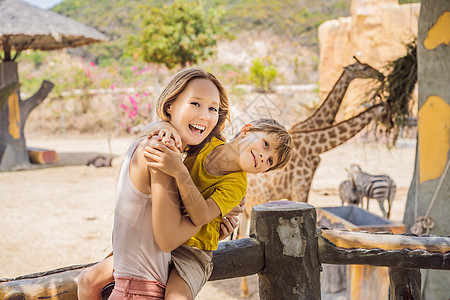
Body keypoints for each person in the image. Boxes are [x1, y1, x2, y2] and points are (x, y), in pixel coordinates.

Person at [78, 68, 293, 299]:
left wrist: (180, 172)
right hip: (169, 230)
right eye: (265, 145)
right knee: (88, 279)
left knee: (177, 297)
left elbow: (201, 217)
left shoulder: (236, 185)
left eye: (270, 161)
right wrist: (165, 127)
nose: (263, 157)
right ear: (246, 130)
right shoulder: (206, 142)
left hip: (194, 250)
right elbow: (159, 130)